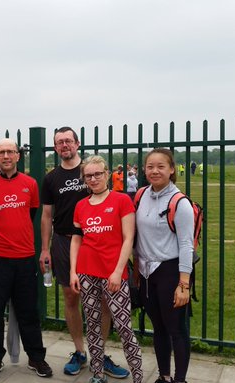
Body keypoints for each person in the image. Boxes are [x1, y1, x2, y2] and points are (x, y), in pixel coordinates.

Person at [39, 127, 129, 378]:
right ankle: (80, 352)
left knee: (103, 302)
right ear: (55, 148)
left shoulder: (90, 171)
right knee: (70, 297)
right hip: (63, 242)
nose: (64, 145)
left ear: (77, 143)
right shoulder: (51, 178)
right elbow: (47, 215)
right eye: (59, 142)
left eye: (68, 140)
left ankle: (100, 354)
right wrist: (45, 249)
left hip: (94, 244)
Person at [0, 138, 52, 380]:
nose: (6, 156)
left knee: (28, 311)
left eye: (11, 151)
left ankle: (36, 357)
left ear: (18, 156)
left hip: (24, 257)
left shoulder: (30, 184)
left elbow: (29, 215)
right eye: (1, 152)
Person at [69, 156, 142, 383]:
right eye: (88, 175)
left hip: (113, 273)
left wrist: (118, 271)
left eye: (98, 174)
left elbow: (128, 238)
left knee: (123, 328)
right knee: (92, 324)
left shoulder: (121, 201)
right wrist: (73, 271)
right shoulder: (80, 205)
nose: (93, 179)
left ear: (107, 174)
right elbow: (76, 240)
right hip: (86, 271)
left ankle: (138, 376)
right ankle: (98, 374)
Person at [134, 148, 194, 383]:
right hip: (147, 273)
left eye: (161, 166)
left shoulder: (179, 202)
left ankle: (180, 379)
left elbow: (187, 245)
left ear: (172, 170)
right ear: (144, 170)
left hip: (171, 271)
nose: (155, 171)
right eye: (150, 166)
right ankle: (164, 376)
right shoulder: (140, 195)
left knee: (176, 330)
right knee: (158, 328)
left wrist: (184, 284)